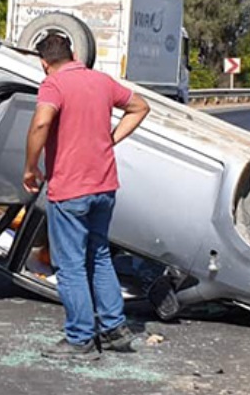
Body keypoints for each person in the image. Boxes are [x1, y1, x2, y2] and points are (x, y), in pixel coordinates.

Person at [22, 33, 150, 361]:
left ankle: (80, 339)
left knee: (71, 265)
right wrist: (111, 139)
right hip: (104, 186)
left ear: (44, 62)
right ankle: (114, 329)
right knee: (100, 255)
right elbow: (140, 107)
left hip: (71, 189)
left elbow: (40, 124)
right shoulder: (101, 80)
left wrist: (30, 167)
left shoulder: (53, 84)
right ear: (75, 53)